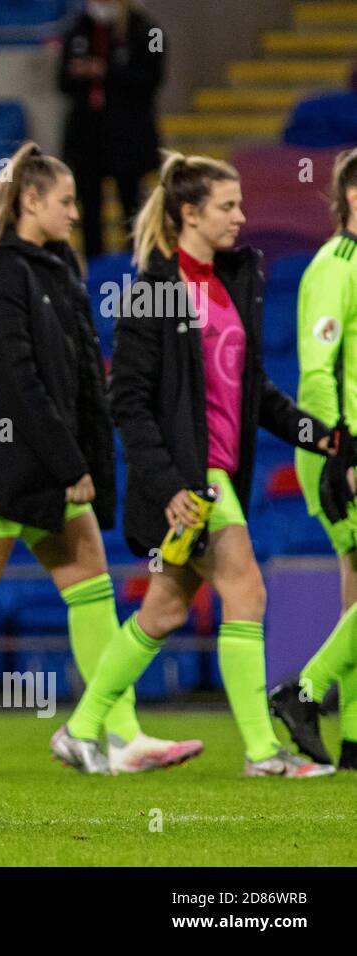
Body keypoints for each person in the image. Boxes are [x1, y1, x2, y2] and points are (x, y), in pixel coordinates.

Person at [54, 152, 337, 777]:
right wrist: (169, 484)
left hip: (211, 481)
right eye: (227, 206)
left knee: (164, 612)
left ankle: (79, 729)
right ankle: (265, 753)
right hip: (192, 482)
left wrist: (326, 438)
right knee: (246, 589)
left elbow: (254, 390)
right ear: (189, 213)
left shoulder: (235, 282)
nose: (241, 217)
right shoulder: (153, 290)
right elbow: (125, 400)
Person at [0, 143, 201, 775]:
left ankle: (122, 735)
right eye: (67, 201)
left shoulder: (58, 270)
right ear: (31, 200)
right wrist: (70, 462)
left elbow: (76, 378)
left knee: (93, 593)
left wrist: (83, 460)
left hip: (49, 468)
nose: (78, 213)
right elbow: (16, 380)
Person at [269, 148, 357, 771]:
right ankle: (301, 693)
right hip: (342, 449)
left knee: (356, 597)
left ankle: (354, 741)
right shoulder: (336, 263)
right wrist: (336, 450)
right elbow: (317, 368)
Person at [58, 0, 164, 259]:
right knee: (89, 208)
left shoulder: (150, 31)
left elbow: (153, 76)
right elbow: (61, 79)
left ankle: (137, 267)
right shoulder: (76, 30)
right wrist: (79, 73)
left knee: (132, 206)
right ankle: (94, 270)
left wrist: (108, 71)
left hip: (127, 137)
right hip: (87, 139)